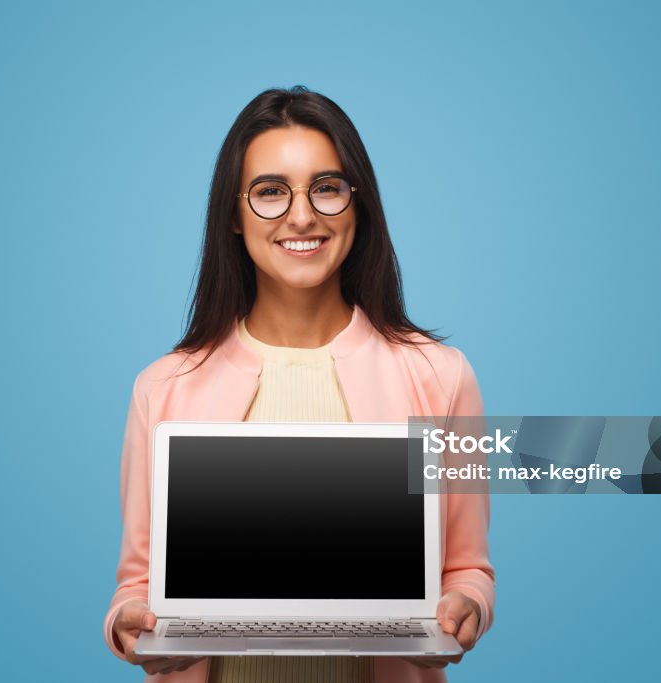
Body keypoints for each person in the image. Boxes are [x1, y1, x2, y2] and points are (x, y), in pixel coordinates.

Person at [103, 86, 495, 682]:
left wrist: (467, 606)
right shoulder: (162, 388)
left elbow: (467, 569)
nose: (302, 215)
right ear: (233, 215)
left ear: (358, 205)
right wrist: (130, 622)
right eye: (269, 192)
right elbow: (138, 583)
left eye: (327, 187)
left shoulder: (442, 379)